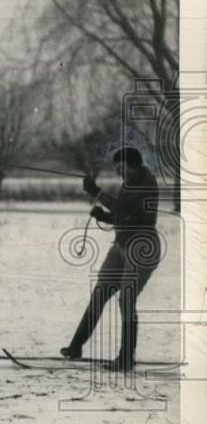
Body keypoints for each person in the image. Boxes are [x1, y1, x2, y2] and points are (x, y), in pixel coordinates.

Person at [61, 146, 160, 371]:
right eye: (116, 168)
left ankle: (126, 359)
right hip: (122, 246)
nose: (119, 172)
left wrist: (96, 193)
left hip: (142, 247)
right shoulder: (128, 184)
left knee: (126, 299)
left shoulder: (147, 183)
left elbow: (126, 210)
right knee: (100, 293)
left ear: (134, 165)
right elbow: (122, 215)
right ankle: (75, 347)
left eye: (122, 167)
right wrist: (104, 217)